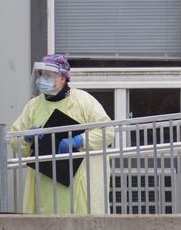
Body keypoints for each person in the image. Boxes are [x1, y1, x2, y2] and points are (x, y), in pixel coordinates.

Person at [10, 54, 114, 214]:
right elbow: (14, 138)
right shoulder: (33, 106)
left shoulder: (83, 101)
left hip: (79, 181)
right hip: (45, 181)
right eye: (40, 75)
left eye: (48, 75)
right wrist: (25, 138)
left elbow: (107, 131)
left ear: (63, 78)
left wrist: (80, 140)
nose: (42, 79)